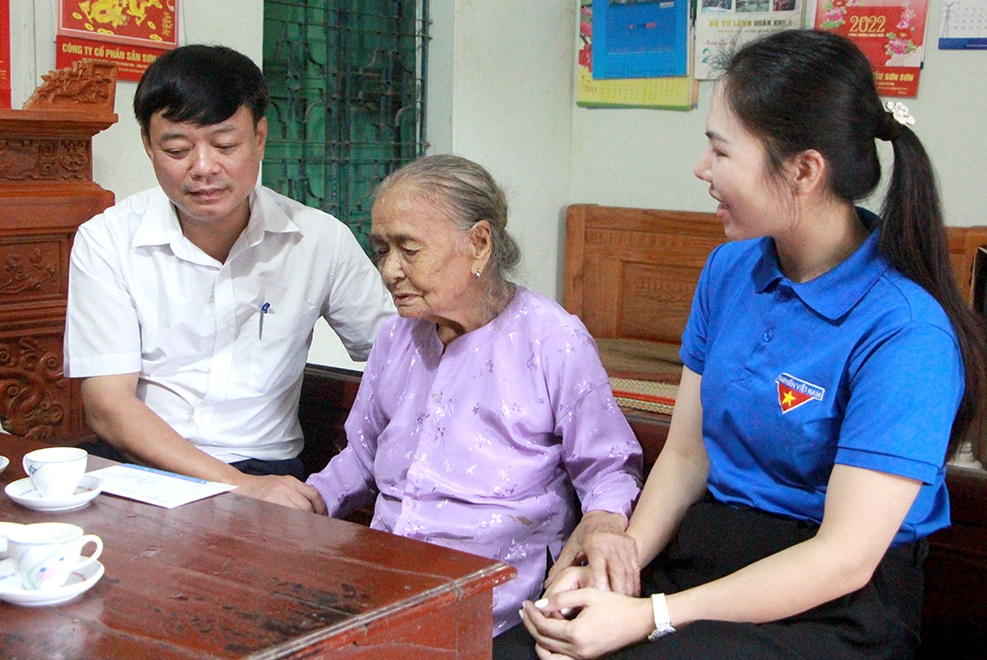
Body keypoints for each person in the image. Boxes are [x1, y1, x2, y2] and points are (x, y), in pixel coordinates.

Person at [518, 29, 987, 658]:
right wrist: (617, 570)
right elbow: (686, 460)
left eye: (721, 151)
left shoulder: (907, 332)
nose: (702, 168)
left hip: (834, 604)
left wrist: (648, 616)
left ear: (803, 171)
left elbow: (844, 558)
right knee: (528, 645)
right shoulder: (729, 271)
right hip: (707, 556)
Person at [304, 154, 644, 637]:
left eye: (409, 249)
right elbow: (362, 457)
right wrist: (309, 499)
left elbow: (607, 463)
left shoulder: (551, 340)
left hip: (494, 604)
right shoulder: (396, 338)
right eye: (382, 249)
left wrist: (605, 522)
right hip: (384, 582)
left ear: (479, 244)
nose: (389, 270)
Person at [63, 45, 395, 512]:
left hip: (264, 469)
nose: (203, 168)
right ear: (148, 145)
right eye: (177, 149)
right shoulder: (108, 240)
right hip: (140, 466)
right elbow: (107, 405)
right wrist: (235, 485)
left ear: (260, 137)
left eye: (225, 145)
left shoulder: (318, 240)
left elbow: (397, 354)